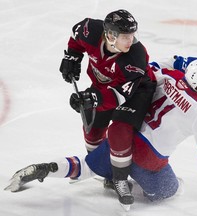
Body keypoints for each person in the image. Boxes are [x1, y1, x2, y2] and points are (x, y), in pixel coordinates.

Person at [5, 56, 197, 208]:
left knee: (86, 166)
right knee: (171, 191)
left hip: (124, 139)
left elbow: (152, 65)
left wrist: (180, 60)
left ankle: (48, 168)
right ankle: (127, 182)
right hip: (150, 160)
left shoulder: (170, 77)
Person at [58, 9, 156, 205]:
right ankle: (105, 171)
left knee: (119, 130)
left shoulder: (135, 57)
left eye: (132, 35)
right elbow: (76, 36)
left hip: (137, 92)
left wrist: (93, 98)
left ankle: (119, 179)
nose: (131, 40)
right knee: (92, 126)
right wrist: (72, 56)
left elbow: (120, 95)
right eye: (125, 36)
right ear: (110, 35)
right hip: (104, 87)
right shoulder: (91, 30)